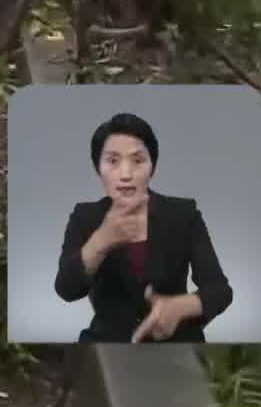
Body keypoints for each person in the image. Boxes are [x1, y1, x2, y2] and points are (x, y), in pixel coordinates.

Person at [54, 112, 233, 342]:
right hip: (108, 344)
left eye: (138, 161)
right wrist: (101, 241)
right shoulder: (85, 217)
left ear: (152, 167)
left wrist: (179, 307)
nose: (126, 174)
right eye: (112, 161)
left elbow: (219, 290)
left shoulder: (183, 214)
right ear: (98, 168)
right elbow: (67, 289)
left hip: (177, 344)